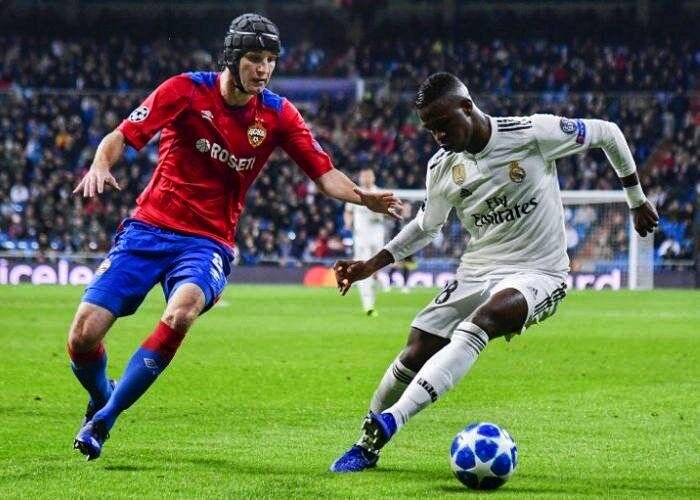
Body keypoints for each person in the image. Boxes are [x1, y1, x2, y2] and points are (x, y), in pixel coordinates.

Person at [68, 13, 401, 461]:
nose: (264, 69)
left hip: (207, 242)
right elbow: (121, 135)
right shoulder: (185, 90)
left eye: (271, 60)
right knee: (83, 336)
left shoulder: (278, 114)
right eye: (254, 59)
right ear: (231, 57)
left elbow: (324, 175)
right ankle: (102, 395)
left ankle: (104, 420)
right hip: (147, 229)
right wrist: (99, 164)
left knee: (181, 312)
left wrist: (363, 197)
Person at [329, 72, 658, 472]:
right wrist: (371, 264)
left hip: (539, 271)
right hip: (478, 269)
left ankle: (391, 421)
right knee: (415, 349)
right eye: (430, 130)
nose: (439, 136)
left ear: (467, 107)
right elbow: (427, 227)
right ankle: (366, 444)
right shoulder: (442, 167)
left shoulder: (531, 134)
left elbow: (608, 133)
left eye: (443, 124)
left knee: (481, 322)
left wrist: (636, 199)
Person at [343, 168, 386, 316]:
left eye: (369, 176)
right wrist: (348, 223)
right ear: (360, 178)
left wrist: (380, 211)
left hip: (377, 236)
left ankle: (373, 290)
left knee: (374, 270)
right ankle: (368, 305)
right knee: (363, 268)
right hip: (361, 238)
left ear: (373, 178)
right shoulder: (355, 193)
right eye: (364, 176)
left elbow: (389, 213)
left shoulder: (380, 193)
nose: (366, 179)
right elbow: (348, 211)